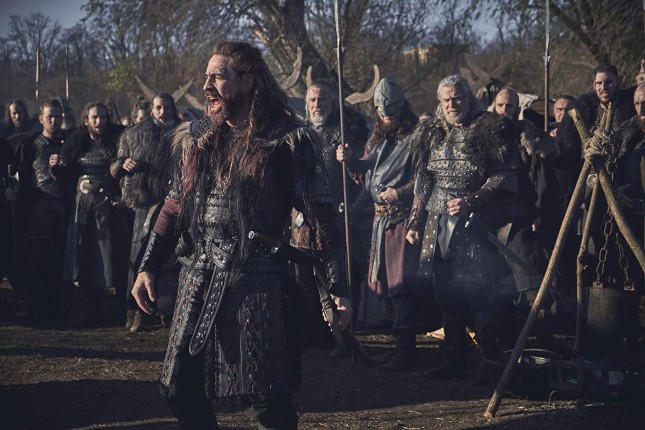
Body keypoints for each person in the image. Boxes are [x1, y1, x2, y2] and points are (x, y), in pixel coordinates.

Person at [131, 41, 352, 430]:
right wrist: (147, 266)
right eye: (206, 77)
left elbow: (321, 218)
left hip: (257, 282)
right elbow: (173, 207)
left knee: (266, 404)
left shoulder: (287, 140)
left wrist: (337, 288)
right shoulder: (196, 138)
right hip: (198, 278)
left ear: (248, 81)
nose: (206, 86)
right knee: (180, 388)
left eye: (218, 76)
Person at [406, 75, 519, 381]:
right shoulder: (431, 132)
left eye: (457, 98)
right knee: (446, 295)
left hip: (474, 226)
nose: (452, 104)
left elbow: (505, 176)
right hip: (437, 224)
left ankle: (489, 362)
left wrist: (473, 200)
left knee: (480, 295)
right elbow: (423, 181)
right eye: (446, 100)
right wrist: (415, 221)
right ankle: (453, 358)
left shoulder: (487, 129)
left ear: (469, 98)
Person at [337, 77, 427, 371]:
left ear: (401, 108)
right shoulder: (377, 137)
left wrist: (400, 192)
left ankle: (407, 349)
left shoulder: (417, 137)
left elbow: (425, 178)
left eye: (391, 113)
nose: (387, 118)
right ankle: (398, 347)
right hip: (379, 221)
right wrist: (350, 160)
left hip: (403, 219)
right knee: (384, 285)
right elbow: (367, 175)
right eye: (382, 114)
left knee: (401, 286)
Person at [292, 79, 369, 351]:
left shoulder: (346, 133)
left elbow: (365, 174)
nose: (317, 105)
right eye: (313, 100)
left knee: (341, 275)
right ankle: (316, 334)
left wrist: (349, 160)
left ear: (333, 103)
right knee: (306, 275)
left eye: (322, 99)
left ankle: (344, 334)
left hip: (336, 216)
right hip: (303, 218)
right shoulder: (300, 133)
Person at [579, 82, 645, 359]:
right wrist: (613, 192)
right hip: (629, 226)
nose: (642, 107)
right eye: (638, 102)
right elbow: (594, 177)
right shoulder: (621, 137)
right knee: (631, 288)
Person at [493, 87, 560, 346]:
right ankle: (507, 342)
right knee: (500, 286)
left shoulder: (529, 139)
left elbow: (543, 184)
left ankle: (541, 341)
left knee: (530, 282)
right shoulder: (487, 137)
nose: (504, 111)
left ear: (517, 107)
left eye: (509, 106)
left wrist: (538, 215)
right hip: (494, 220)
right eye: (500, 105)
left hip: (522, 220)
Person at [54, 101, 128, 326]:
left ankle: (122, 309)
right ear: (86, 120)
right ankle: (94, 308)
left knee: (115, 255)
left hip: (110, 204)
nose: (99, 121)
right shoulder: (76, 142)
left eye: (103, 117)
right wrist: (55, 167)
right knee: (87, 256)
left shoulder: (117, 141)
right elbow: (66, 175)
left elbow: (123, 174)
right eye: (94, 117)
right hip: (84, 206)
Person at [111, 92, 180, 332]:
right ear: (152, 109)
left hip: (175, 204)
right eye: (158, 107)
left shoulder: (183, 134)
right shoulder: (134, 135)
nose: (163, 112)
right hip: (144, 203)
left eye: (167, 107)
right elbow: (115, 167)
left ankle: (167, 310)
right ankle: (136, 311)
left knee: (173, 258)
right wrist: (123, 164)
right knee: (140, 256)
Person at [11, 99, 72, 321]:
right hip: (40, 207)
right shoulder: (30, 145)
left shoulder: (70, 143)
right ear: (41, 119)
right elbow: (21, 175)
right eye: (49, 116)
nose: (53, 121)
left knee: (62, 259)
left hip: (65, 206)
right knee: (36, 258)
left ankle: (59, 309)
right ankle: (30, 304)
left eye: (57, 116)